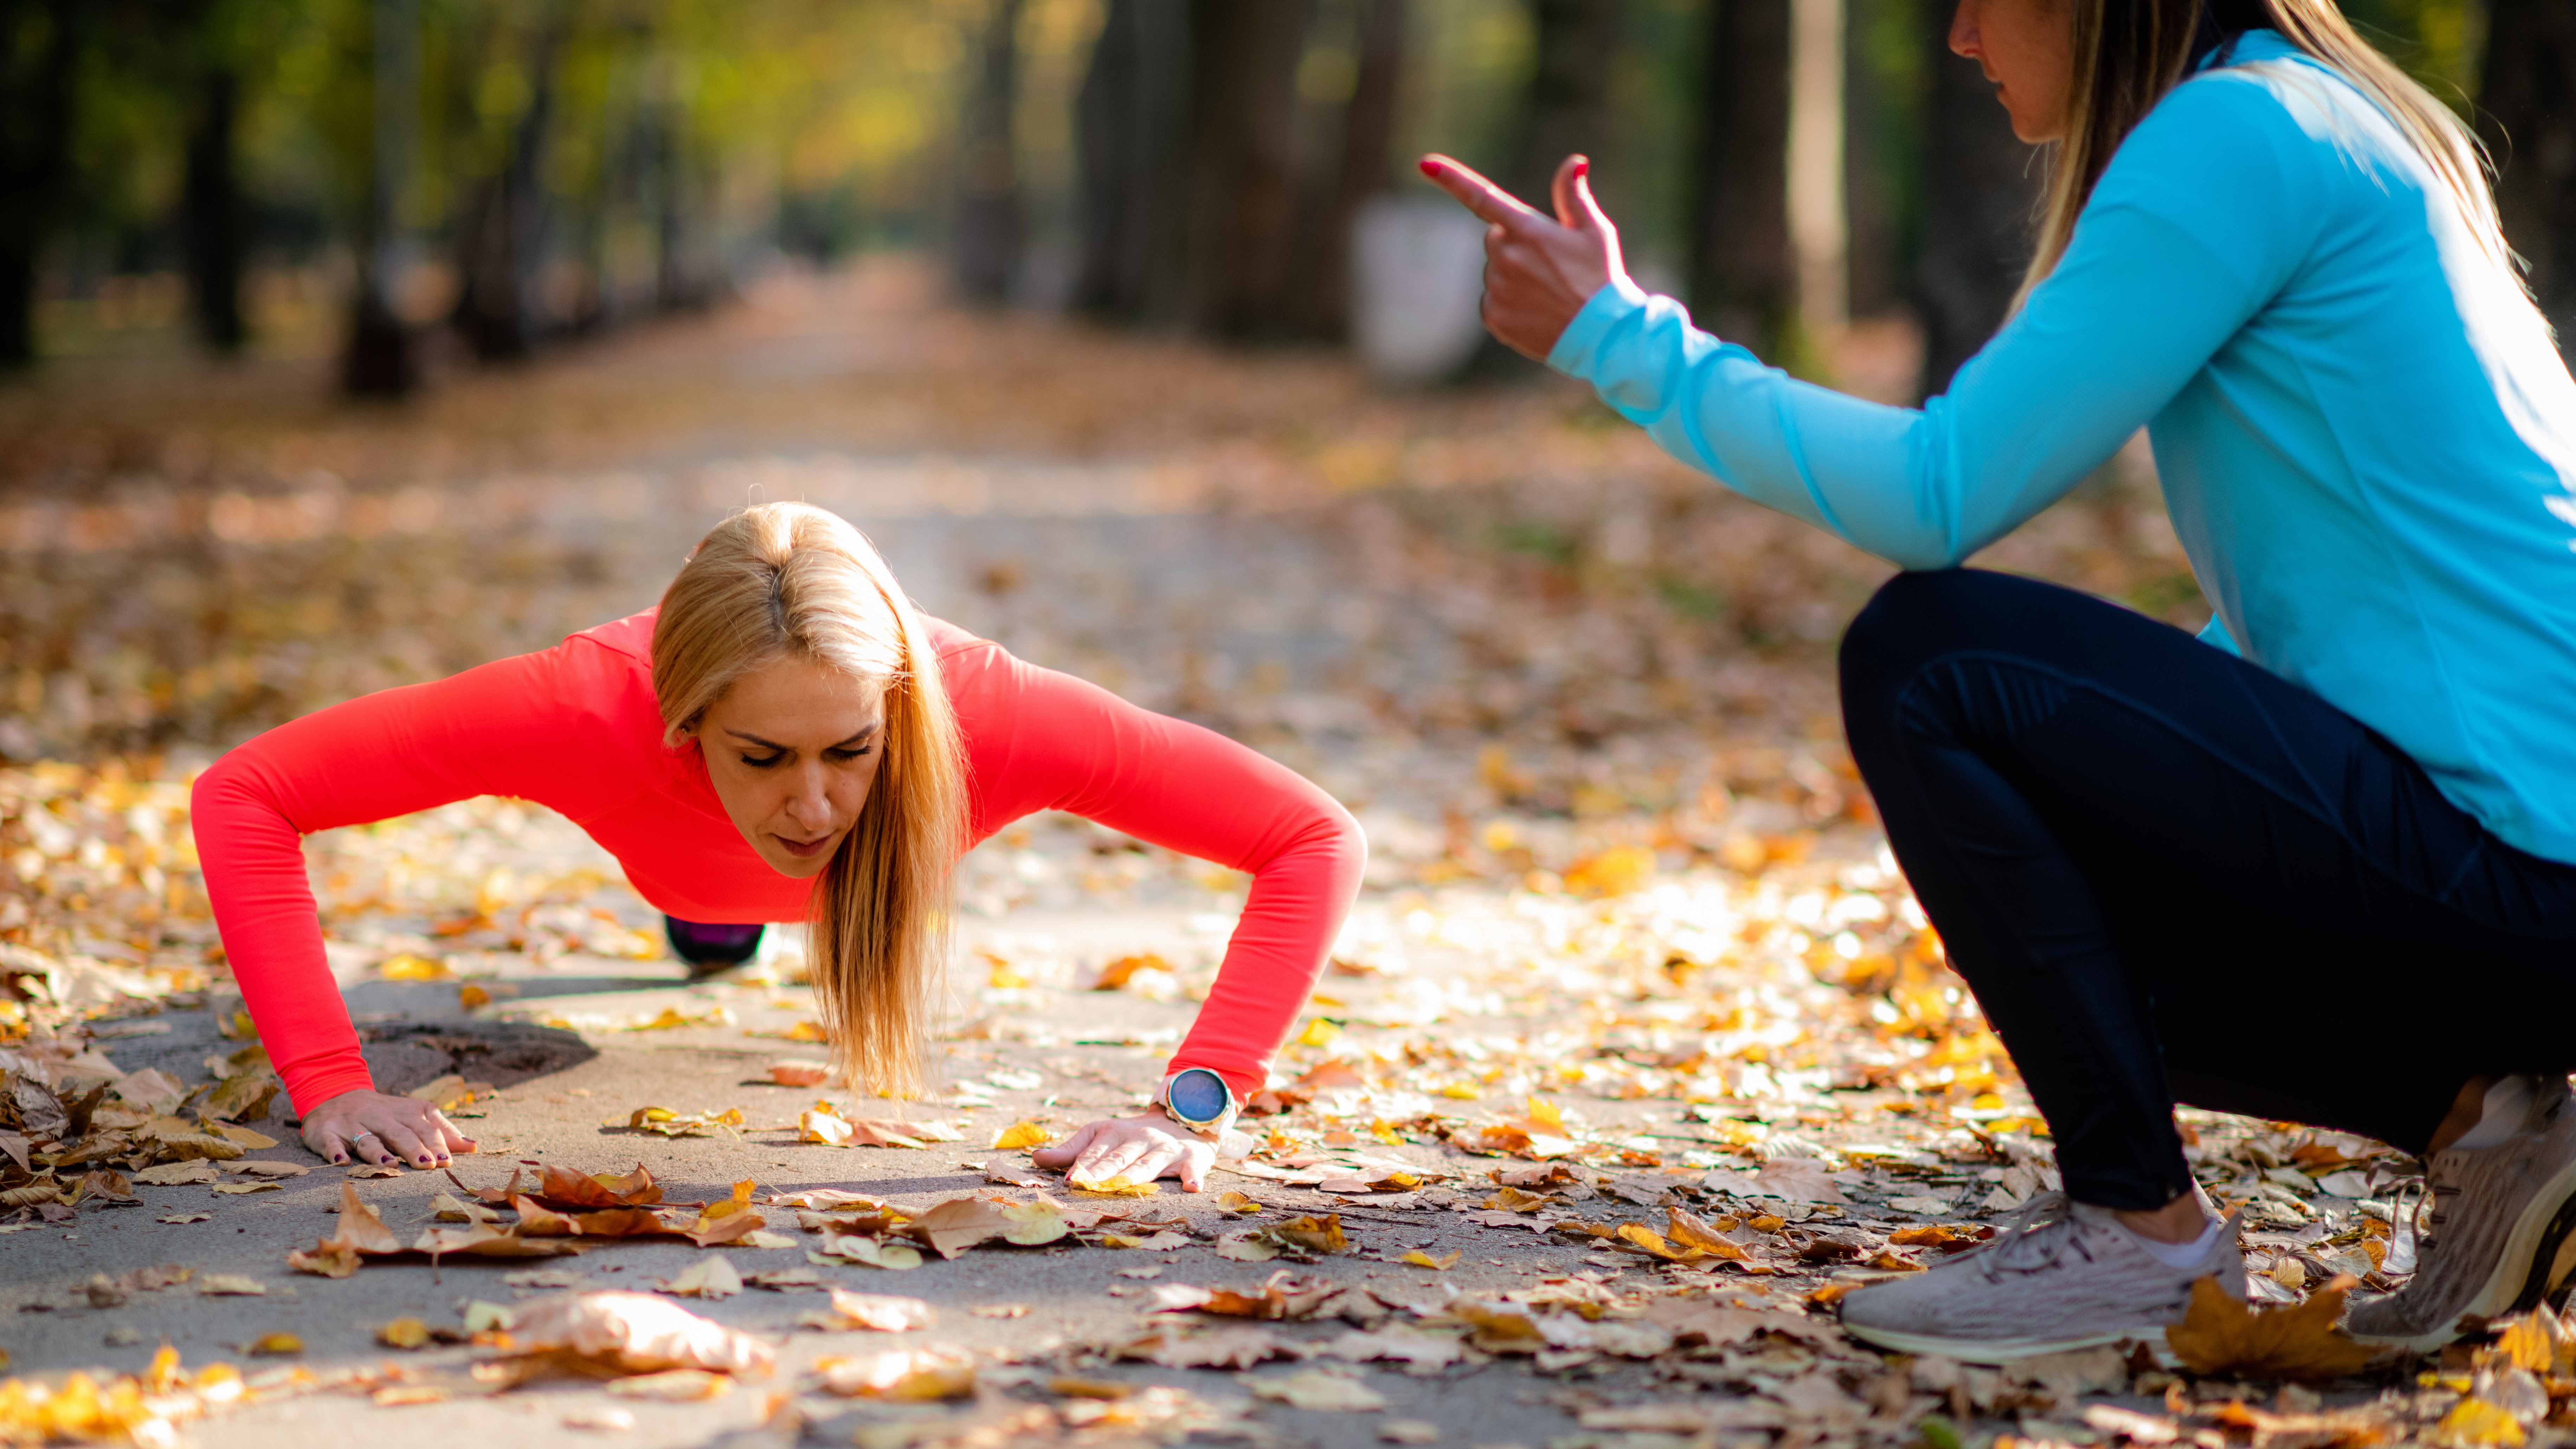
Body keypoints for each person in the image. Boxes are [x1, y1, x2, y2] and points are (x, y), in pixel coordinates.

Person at [1422, 0, 2576, 1361]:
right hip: (2523, 865)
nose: (1959, 39)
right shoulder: (2321, 116)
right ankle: (2496, 1125)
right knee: (2064, 890)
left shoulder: (2236, 134)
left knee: (1925, 661)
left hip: (2526, 869)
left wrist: (1623, 341)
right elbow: (2359, 601)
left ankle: (2133, 1229)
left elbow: (1938, 491)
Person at [192, 503, 1366, 1193]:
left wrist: (1195, 1103)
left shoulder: (984, 711)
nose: (814, 803)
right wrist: (329, 1080)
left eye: (850, 750)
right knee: (713, 915)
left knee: (776, 872)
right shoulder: (578, 707)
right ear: (684, 722)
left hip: (824, 878)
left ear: (897, 709)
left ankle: (734, 897)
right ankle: (714, 921)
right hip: (685, 868)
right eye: (762, 757)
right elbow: (247, 792)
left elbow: (1311, 836)